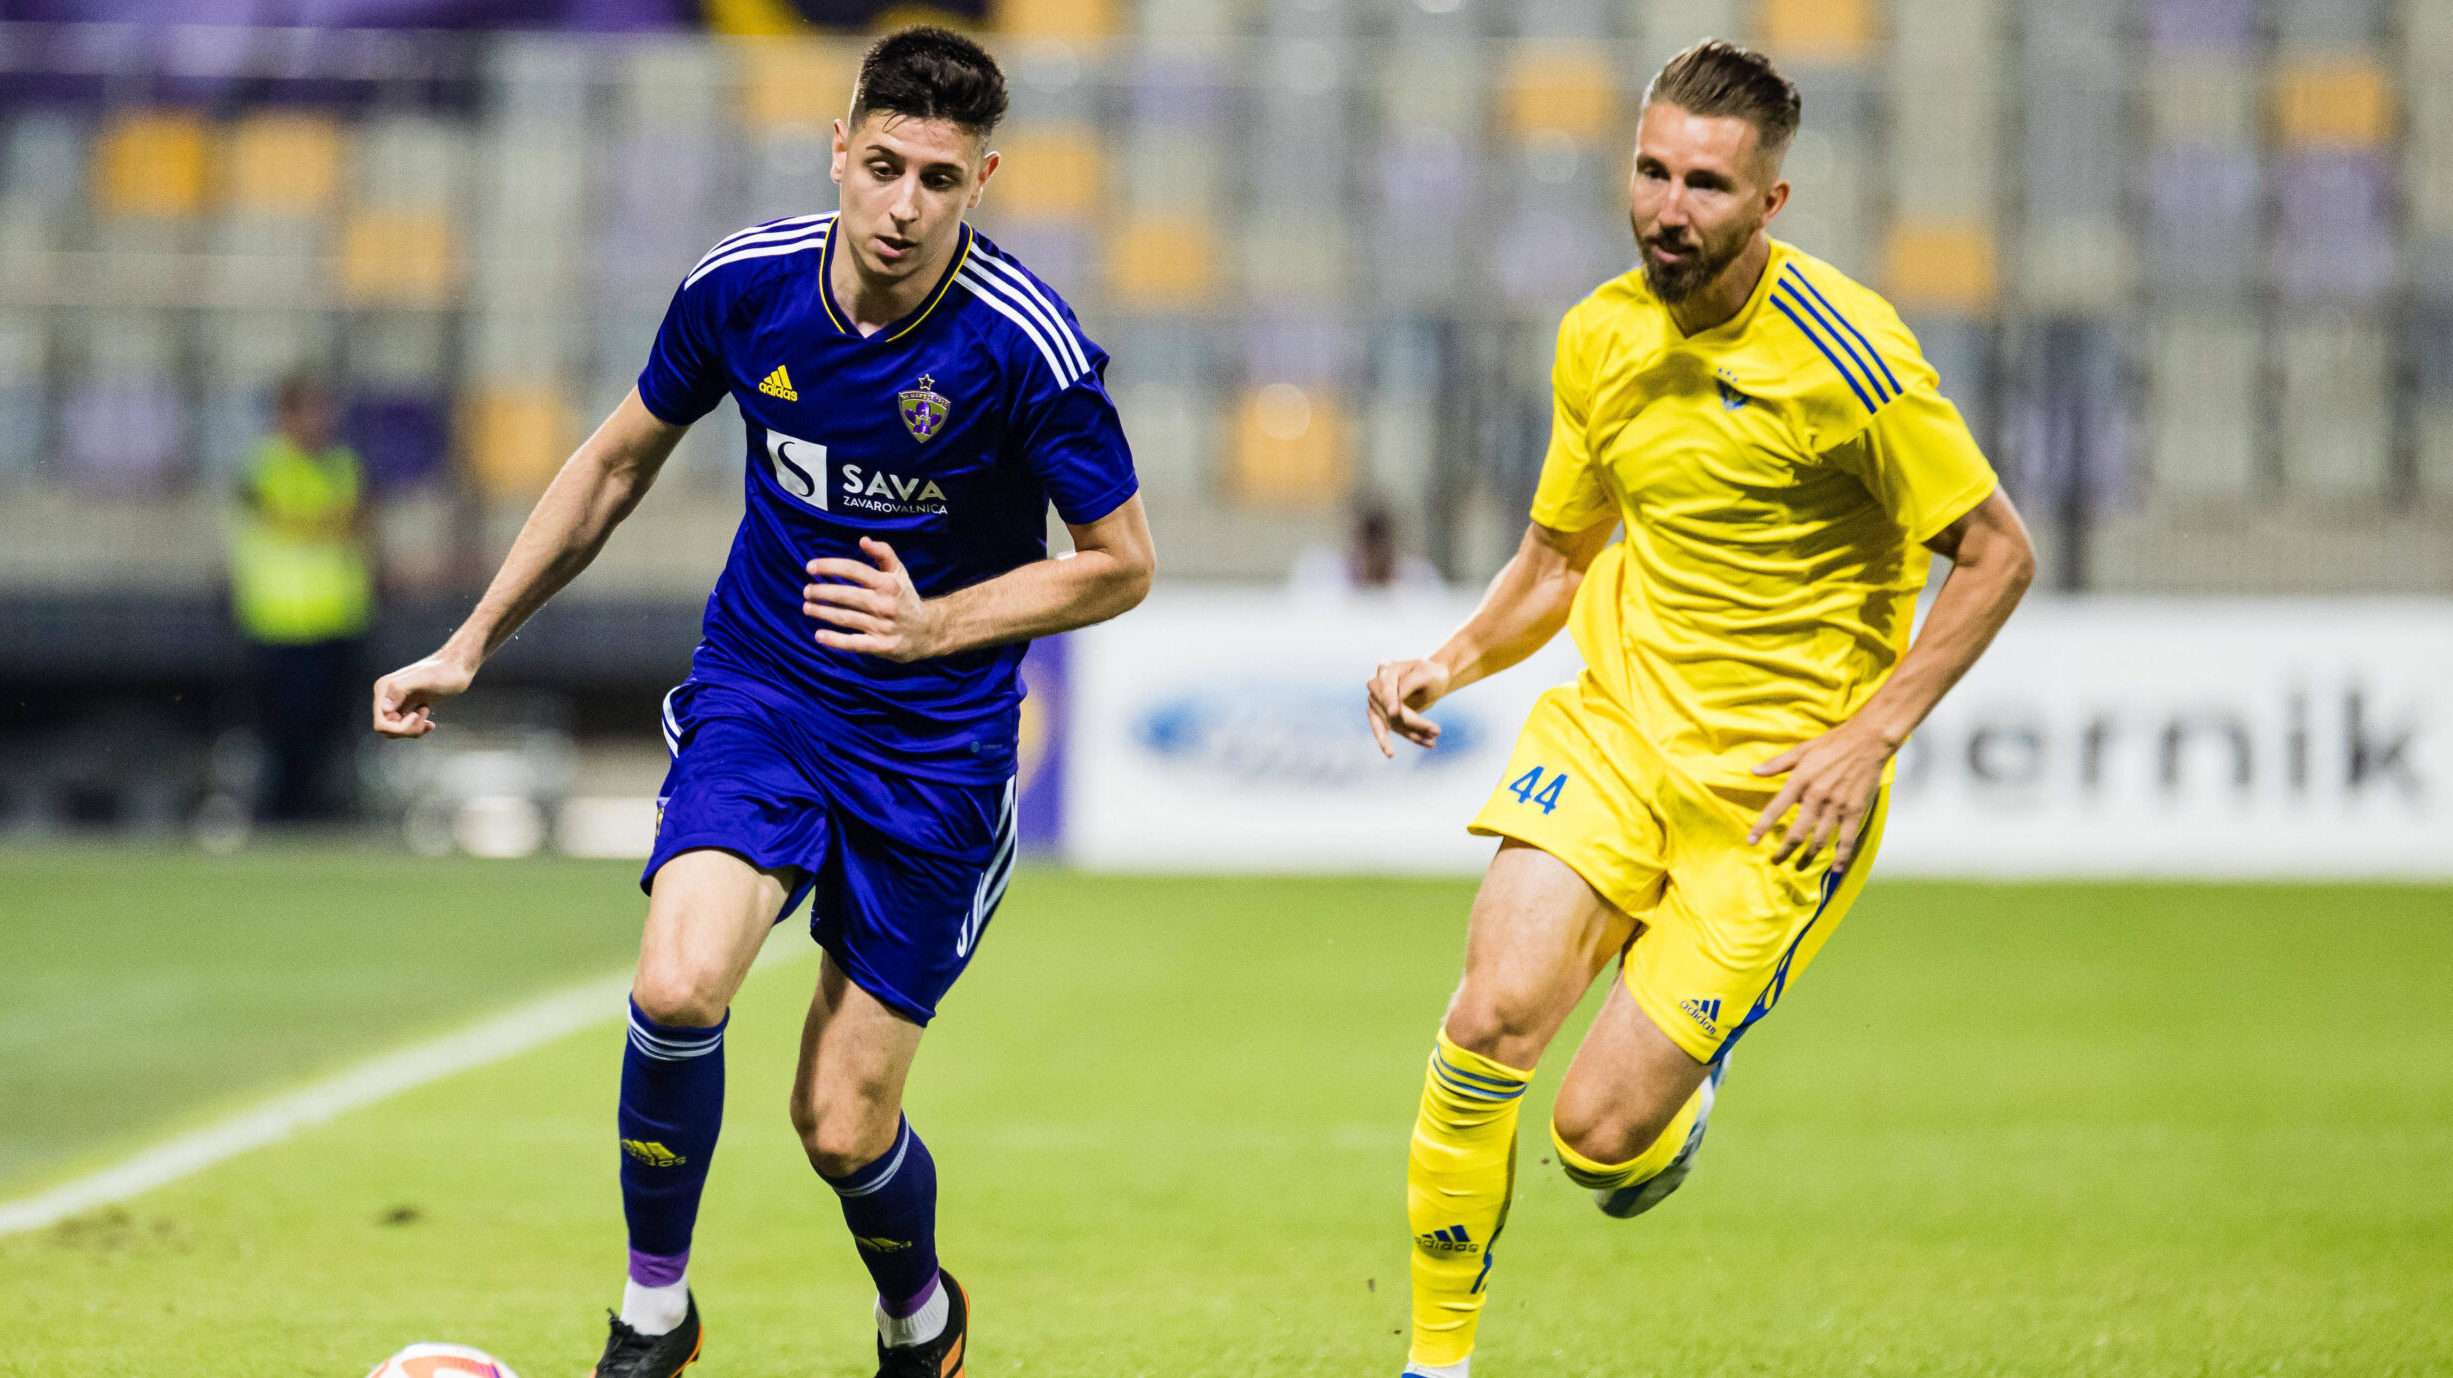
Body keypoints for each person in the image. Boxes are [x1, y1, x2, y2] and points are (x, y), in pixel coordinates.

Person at [371, 28, 1152, 1378]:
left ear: (985, 182)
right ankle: (654, 1315)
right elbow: (616, 462)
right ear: (838, 151)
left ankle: (921, 1318)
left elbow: (1121, 563)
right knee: (676, 983)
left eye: (943, 180)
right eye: (887, 165)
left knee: (840, 1124)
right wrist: (472, 640)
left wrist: (937, 624)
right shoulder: (743, 288)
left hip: (936, 752)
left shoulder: (1025, 350)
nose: (906, 206)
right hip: (767, 695)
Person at [1364, 41, 2035, 1378]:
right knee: (1487, 1015)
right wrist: (1452, 655)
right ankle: (1433, 1363)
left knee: (1594, 1138)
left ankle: (1676, 1096)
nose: (1669, 207)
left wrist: (1869, 735)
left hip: (1778, 797)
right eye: (1652, 171)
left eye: (1708, 186)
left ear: (1769, 204)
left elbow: (1998, 550)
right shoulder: (1599, 336)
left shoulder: (1852, 359)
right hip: (1615, 735)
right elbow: (1559, 558)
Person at [232, 373, 373, 823]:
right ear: (285, 415)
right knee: (284, 731)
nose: (320, 420)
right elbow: (291, 521)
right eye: (309, 409)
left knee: (329, 732)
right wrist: (330, 523)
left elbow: (357, 525)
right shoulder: (265, 465)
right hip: (279, 621)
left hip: (337, 619)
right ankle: (277, 816)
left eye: (324, 409)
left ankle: (318, 815)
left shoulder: (343, 465)